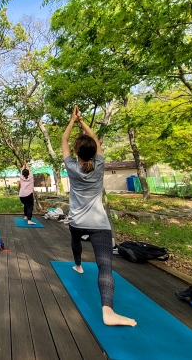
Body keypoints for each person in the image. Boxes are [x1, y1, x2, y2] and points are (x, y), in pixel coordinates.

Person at [62, 105, 136, 326]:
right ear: (94, 151)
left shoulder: (71, 167)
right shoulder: (101, 164)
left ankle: (77, 264)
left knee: (75, 240)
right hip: (98, 223)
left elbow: (64, 141)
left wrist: (72, 121)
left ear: (76, 153)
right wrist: (82, 121)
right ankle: (108, 311)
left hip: (76, 221)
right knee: (105, 266)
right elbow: (94, 139)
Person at [18, 160, 36, 225]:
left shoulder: (21, 177)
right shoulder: (31, 177)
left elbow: (22, 171)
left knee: (26, 205)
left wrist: (24, 165)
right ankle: (29, 220)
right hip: (29, 195)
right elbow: (29, 170)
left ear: (22, 174)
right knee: (30, 206)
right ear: (28, 173)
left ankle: (25, 216)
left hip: (22, 196)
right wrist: (27, 165)